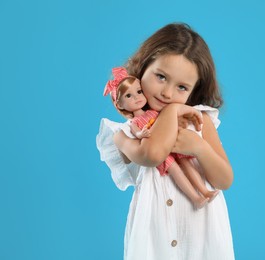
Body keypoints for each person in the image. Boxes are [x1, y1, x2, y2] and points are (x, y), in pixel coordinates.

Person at [96, 23, 234, 259]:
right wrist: (172, 112)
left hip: (202, 237)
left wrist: (199, 147)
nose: (167, 94)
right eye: (161, 77)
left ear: (193, 90)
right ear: (142, 67)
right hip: (154, 236)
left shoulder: (198, 121)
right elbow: (152, 155)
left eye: (181, 87)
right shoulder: (122, 132)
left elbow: (224, 180)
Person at [103, 66, 219, 208]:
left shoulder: (155, 111)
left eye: (139, 92)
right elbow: (136, 134)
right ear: (119, 104)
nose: (137, 98)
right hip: (160, 152)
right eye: (128, 96)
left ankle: (205, 192)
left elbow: (168, 121)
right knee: (176, 170)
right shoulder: (134, 123)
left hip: (173, 143)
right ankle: (195, 198)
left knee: (187, 164)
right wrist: (141, 134)